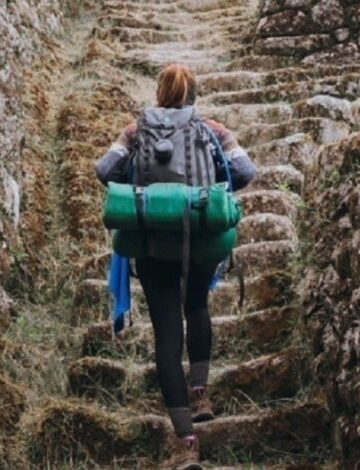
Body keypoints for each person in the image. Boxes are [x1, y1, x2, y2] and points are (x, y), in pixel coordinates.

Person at [94, 63, 255, 470]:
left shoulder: (134, 131)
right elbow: (244, 171)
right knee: (196, 306)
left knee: (167, 332)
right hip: (200, 240)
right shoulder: (213, 130)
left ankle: (185, 441)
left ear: (159, 92)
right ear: (192, 95)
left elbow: (104, 170)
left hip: (150, 243)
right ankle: (201, 392)